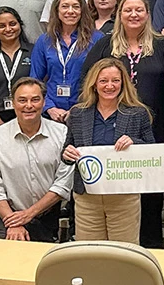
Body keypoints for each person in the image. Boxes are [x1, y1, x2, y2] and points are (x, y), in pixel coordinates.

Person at [82, 0, 164, 248]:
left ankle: (151, 247)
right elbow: (87, 81)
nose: (133, 15)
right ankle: (119, 249)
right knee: (121, 191)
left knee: (152, 191)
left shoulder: (162, 45)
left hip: (156, 129)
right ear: (119, 15)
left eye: (139, 10)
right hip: (113, 130)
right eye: (127, 10)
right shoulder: (105, 45)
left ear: (147, 14)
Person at [62, 58, 153, 243]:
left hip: (123, 197)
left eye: (115, 81)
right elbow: (67, 150)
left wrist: (133, 142)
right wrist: (67, 154)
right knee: (89, 254)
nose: (109, 86)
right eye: (103, 81)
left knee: (124, 255)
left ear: (123, 83)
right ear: (94, 84)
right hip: (87, 197)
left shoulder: (137, 113)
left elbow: (152, 150)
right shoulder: (78, 113)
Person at [0, 77, 73, 242]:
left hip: (47, 213)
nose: (29, 105)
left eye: (35, 99)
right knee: (10, 263)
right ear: (13, 103)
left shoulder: (62, 134)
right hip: (7, 214)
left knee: (45, 264)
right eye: (22, 100)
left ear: (44, 102)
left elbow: (63, 183)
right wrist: (14, 222)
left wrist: (29, 214)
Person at [30, 0, 103, 123]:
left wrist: (79, 107)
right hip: (51, 115)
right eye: (65, 6)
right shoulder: (44, 41)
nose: (70, 11)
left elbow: (103, 79)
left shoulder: (97, 39)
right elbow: (35, 81)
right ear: (57, 11)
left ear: (82, 10)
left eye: (76, 6)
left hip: (87, 111)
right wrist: (49, 108)